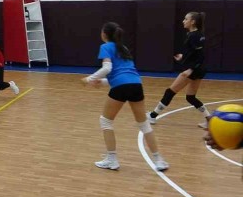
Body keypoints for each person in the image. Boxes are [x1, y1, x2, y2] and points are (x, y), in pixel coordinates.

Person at [82, 22, 169, 171]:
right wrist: (102, 82)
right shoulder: (124, 48)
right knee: (144, 124)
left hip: (121, 86)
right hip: (136, 84)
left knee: (105, 121)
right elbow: (124, 74)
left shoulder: (105, 47)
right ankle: (159, 160)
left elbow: (107, 68)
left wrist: (89, 79)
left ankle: (112, 160)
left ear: (104, 34)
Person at [148, 12, 211, 129]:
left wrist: (190, 69)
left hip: (193, 70)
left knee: (170, 92)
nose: (183, 21)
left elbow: (201, 56)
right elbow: (195, 53)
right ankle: (209, 119)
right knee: (190, 97)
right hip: (199, 69)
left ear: (192, 22)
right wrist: (183, 56)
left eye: (186, 19)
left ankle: (152, 116)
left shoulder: (194, 36)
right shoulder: (197, 34)